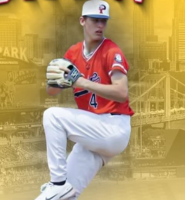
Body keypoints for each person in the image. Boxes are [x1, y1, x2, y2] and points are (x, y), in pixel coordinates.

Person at [35, 1, 134, 200]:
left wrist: (83, 82)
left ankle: (57, 183)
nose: (100, 25)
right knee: (61, 197)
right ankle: (61, 188)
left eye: (103, 21)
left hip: (113, 126)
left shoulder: (111, 51)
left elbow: (122, 91)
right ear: (82, 21)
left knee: (52, 116)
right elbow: (52, 91)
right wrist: (55, 80)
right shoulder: (73, 53)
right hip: (94, 135)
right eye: (95, 20)